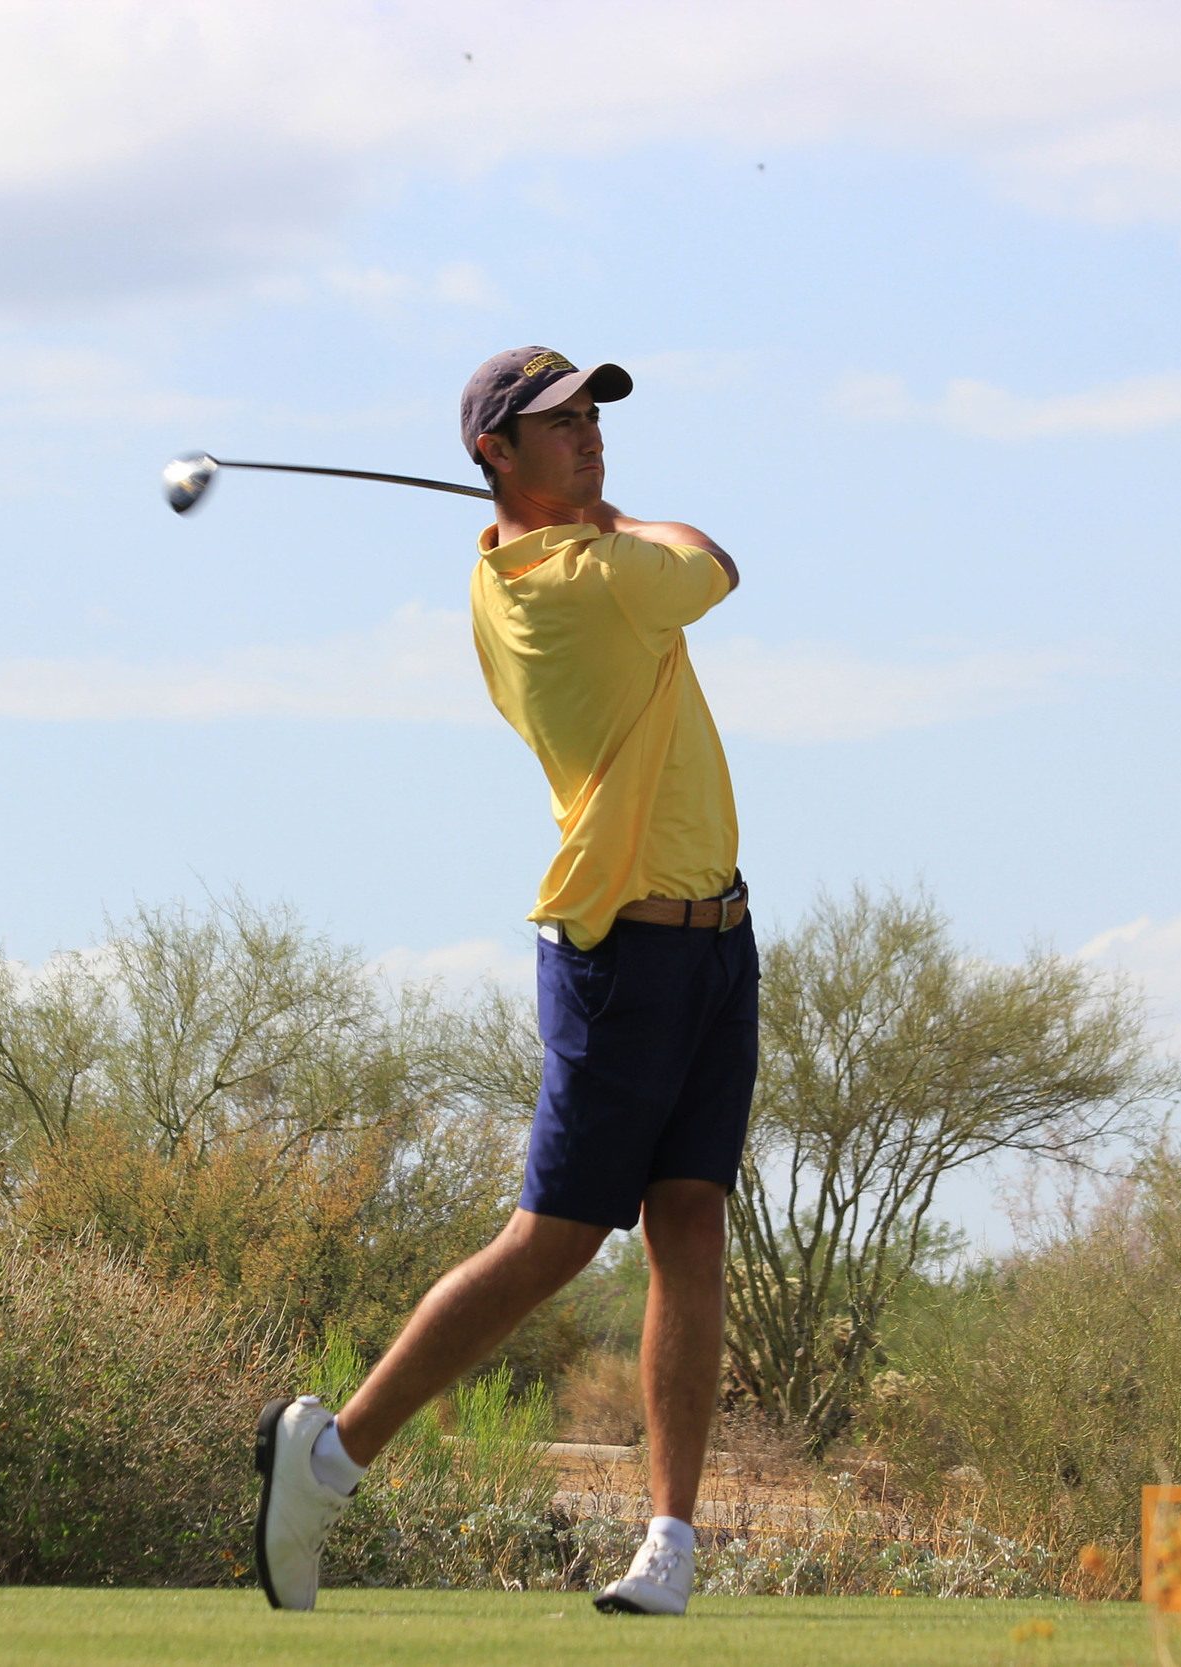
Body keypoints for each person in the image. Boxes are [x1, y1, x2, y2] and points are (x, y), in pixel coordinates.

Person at [253, 347, 756, 1618]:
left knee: (691, 1224)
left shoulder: (547, 559)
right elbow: (715, 560)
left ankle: (669, 1542)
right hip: (619, 954)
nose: (590, 437)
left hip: (713, 940)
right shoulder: (575, 583)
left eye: (594, 417)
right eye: (559, 424)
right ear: (495, 454)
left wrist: (580, 508)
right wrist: (604, 517)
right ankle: (329, 1455)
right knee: (555, 1241)